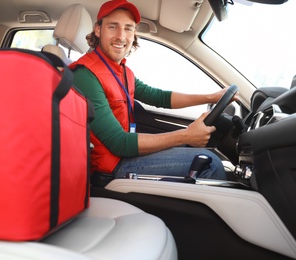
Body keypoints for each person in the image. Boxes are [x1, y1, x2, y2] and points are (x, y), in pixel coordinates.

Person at [69, 0, 230, 185]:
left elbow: (158, 97)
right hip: (111, 167)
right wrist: (186, 135)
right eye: (113, 27)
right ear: (98, 30)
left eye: (128, 28)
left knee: (198, 152)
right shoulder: (85, 74)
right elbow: (119, 143)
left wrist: (212, 97)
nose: (121, 36)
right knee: (210, 164)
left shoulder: (122, 71)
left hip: (123, 156)